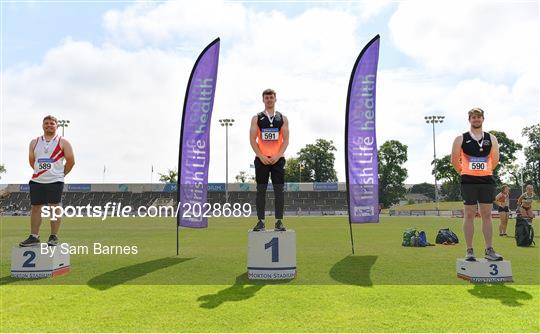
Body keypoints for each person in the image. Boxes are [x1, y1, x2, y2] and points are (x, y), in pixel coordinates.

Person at [451, 107, 503, 261]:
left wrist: (484, 171)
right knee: (469, 214)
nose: (476, 119)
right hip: (468, 181)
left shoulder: (491, 138)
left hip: (486, 180)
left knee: (487, 215)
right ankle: (469, 250)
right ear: (469, 120)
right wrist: (465, 171)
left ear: (483, 119)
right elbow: (454, 160)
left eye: (479, 117)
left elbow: (495, 159)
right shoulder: (460, 138)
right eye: (473, 117)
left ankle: (489, 249)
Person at [19, 115, 75, 247]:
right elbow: (32, 160)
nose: (49, 125)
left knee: (54, 208)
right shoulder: (34, 142)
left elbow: (71, 161)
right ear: (42, 125)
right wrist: (41, 173)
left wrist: (60, 174)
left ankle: (53, 236)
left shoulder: (63, 142)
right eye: (46, 123)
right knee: (35, 208)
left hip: (55, 181)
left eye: (52, 123)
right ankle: (34, 237)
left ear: (57, 126)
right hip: (37, 180)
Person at [250, 89, 289, 231]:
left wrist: (278, 156)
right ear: (263, 100)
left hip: (278, 160)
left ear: (275, 99)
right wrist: (261, 156)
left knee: (279, 191)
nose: (269, 100)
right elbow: (252, 139)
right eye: (267, 98)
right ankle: (261, 221)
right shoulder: (257, 118)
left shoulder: (282, 118)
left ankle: (279, 222)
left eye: (271, 97)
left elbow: (286, 140)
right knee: (261, 191)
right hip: (261, 160)